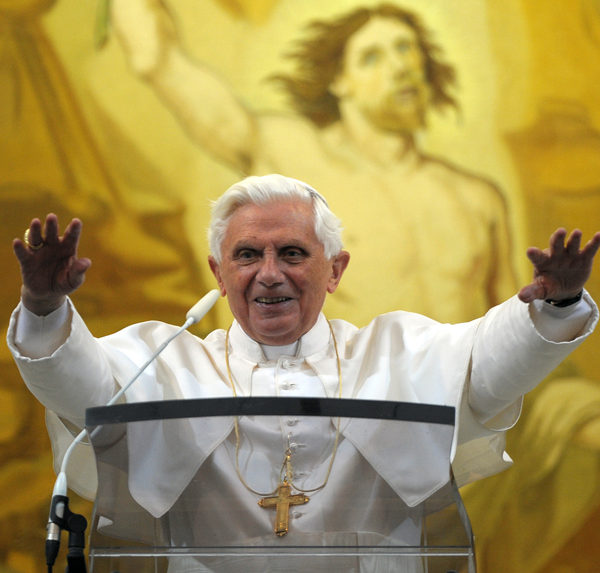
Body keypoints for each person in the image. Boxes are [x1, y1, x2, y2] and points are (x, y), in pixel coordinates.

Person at [7, 175, 600, 564]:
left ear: (334, 270)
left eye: (292, 253)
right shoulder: (168, 363)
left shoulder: (394, 354)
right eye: (247, 255)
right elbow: (85, 388)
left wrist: (556, 304)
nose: (269, 273)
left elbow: (488, 362)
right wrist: (44, 307)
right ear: (218, 272)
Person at [95, 0, 515, 327]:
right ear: (340, 83)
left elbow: (510, 335)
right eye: (373, 57)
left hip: (455, 397)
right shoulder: (291, 156)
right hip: (339, 395)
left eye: (406, 49)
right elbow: (159, 60)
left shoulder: (477, 200)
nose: (400, 66)